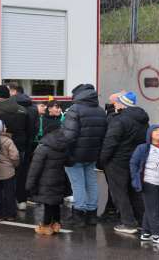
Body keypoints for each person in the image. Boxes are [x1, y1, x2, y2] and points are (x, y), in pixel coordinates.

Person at [100, 91, 148, 234]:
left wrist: (102, 161)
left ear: (122, 104)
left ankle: (128, 223)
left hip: (117, 161)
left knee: (119, 193)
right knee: (134, 191)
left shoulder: (119, 120)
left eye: (117, 102)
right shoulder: (143, 120)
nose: (115, 105)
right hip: (135, 160)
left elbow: (110, 143)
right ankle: (142, 221)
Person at [61, 84, 108, 227]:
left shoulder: (75, 109)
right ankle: (92, 214)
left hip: (75, 154)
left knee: (78, 184)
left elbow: (69, 135)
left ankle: (78, 215)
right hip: (92, 153)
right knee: (91, 183)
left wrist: (64, 152)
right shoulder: (100, 111)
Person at [0, 85, 31, 210]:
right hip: (19, 145)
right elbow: (30, 129)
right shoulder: (22, 109)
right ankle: (21, 201)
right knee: (19, 173)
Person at [130, 124, 159, 245]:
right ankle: (158, 234)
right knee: (153, 210)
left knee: (150, 208)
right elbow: (133, 164)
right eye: (155, 131)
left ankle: (146, 232)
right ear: (150, 134)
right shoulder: (143, 148)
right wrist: (135, 179)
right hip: (148, 182)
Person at [26, 123, 68, 235]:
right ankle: (56, 224)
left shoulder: (43, 148)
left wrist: (29, 185)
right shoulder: (63, 146)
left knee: (48, 203)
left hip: (45, 180)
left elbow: (35, 168)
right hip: (59, 178)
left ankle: (45, 226)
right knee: (55, 202)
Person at [12, 91, 38, 208]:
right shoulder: (33, 108)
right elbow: (35, 128)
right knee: (24, 172)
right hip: (27, 145)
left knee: (10, 172)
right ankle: (22, 200)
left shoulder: (13, 108)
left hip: (13, 144)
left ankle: (11, 199)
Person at [0, 120, 20, 221]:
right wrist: (15, 165)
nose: (6, 128)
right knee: (9, 193)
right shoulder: (7, 140)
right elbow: (15, 155)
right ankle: (10, 214)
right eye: (4, 126)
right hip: (8, 172)